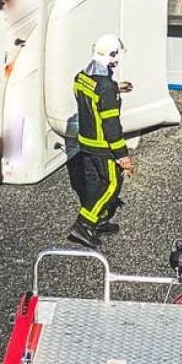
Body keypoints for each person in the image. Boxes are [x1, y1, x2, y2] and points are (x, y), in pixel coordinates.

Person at [65, 35, 133, 250]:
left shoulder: (81, 78)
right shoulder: (105, 87)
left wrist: (114, 88)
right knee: (111, 185)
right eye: (116, 55)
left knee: (93, 183)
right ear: (111, 55)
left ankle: (98, 221)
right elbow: (111, 126)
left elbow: (94, 93)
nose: (118, 59)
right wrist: (123, 156)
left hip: (86, 142)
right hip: (104, 147)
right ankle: (83, 225)